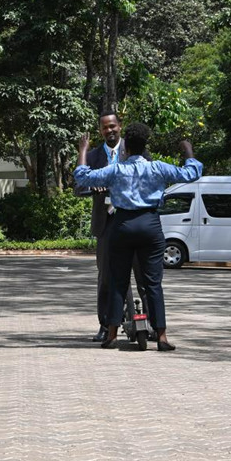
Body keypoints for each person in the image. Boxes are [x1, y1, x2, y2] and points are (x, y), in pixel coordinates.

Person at [74, 123, 203, 351]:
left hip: (122, 225)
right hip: (150, 225)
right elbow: (191, 173)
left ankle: (112, 335)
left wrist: (83, 150)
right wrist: (188, 151)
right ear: (144, 147)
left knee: (118, 282)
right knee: (153, 283)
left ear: (126, 149)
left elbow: (83, 177)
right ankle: (161, 337)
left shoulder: (116, 170)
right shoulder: (158, 168)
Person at [74, 112, 149, 342]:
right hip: (106, 224)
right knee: (106, 277)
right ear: (100, 130)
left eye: (113, 126)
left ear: (120, 126)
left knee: (143, 276)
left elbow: (147, 178)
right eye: (105, 128)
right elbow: (78, 187)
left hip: (133, 220)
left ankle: (152, 325)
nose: (110, 131)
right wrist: (93, 188)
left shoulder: (136, 150)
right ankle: (106, 325)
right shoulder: (93, 156)